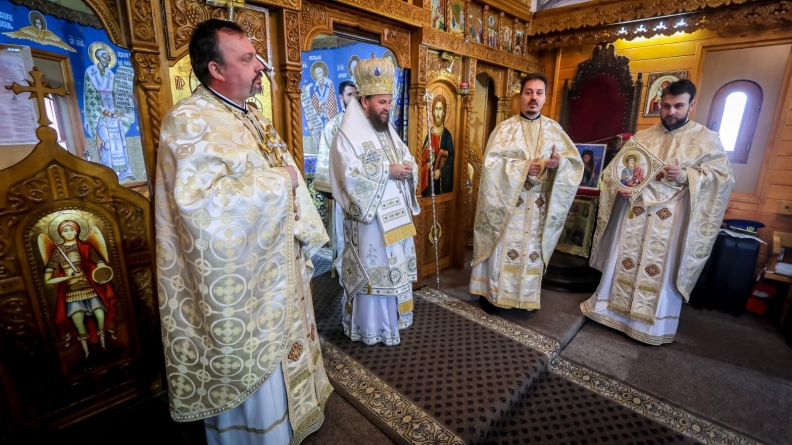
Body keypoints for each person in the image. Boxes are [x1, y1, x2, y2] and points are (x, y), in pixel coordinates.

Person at [154, 19, 331, 444]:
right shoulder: (188, 121)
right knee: (252, 361)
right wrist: (278, 182)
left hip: (275, 263)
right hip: (239, 282)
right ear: (217, 69)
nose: (261, 67)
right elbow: (198, 205)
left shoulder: (250, 115)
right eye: (248, 58)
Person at [581, 79, 734, 345]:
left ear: (691, 105)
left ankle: (649, 326)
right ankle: (609, 310)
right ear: (659, 105)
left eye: (678, 106)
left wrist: (686, 175)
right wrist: (620, 188)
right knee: (624, 261)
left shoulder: (706, 140)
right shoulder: (642, 138)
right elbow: (612, 175)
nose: (671, 112)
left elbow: (723, 178)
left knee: (658, 268)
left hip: (670, 217)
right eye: (666, 106)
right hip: (634, 213)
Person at [470, 73, 583, 312]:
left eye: (539, 93)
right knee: (504, 249)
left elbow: (575, 165)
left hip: (539, 207)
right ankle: (495, 296)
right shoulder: (505, 130)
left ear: (544, 97)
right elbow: (490, 166)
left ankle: (524, 299)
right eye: (529, 92)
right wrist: (522, 168)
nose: (533, 98)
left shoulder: (555, 131)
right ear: (521, 96)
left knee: (530, 251)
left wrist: (558, 164)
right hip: (510, 203)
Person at [330, 57, 420, 346]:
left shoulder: (387, 130)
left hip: (395, 222)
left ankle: (393, 320)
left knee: (394, 268)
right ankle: (370, 327)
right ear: (364, 100)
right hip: (368, 225)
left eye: (389, 101)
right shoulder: (347, 135)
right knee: (374, 272)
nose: (387, 108)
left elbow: (404, 156)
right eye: (381, 102)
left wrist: (408, 168)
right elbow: (347, 176)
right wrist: (387, 172)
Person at [41, 221, 117, 359]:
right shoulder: (58, 253)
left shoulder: (86, 247)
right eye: (65, 230)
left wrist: (100, 268)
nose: (68, 232)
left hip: (91, 289)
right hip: (72, 293)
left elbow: (99, 262)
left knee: (100, 316)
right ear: (60, 233)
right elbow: (47, 279)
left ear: (77, 231)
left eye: (71, 229)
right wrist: (67, 277)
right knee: (78, 322)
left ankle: (104, 346)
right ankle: (87, 353)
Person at [84, 46, 135, 180]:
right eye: (105, 57)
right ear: (99, 58)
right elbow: (91, 98)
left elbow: (115, 95)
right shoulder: (91, 72)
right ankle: (109, 174)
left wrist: (116, 110)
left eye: (109, 58)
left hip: (113, 115)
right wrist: (106, 112)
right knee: (106, 144)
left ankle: (124, 172)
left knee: (119, 142)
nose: (107, 60)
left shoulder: (110, 75)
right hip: (101, 116)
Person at [314, 80, 359, 197]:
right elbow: (327, 156)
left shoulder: (370, 123)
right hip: (344, 187)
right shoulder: (333, 127)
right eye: (350, 95)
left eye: (356, 94)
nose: (354, 98)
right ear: (341, 97)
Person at [420, 94, 454, 197]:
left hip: (440, 182)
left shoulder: (447, 135)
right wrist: (428, 164)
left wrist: (441, 171)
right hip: (428, 178)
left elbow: (451, 161)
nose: (438, 113)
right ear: (433, 112)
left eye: (440, 109)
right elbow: (421, 159)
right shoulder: (429, 134)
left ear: (443, 112)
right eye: (436, 109)